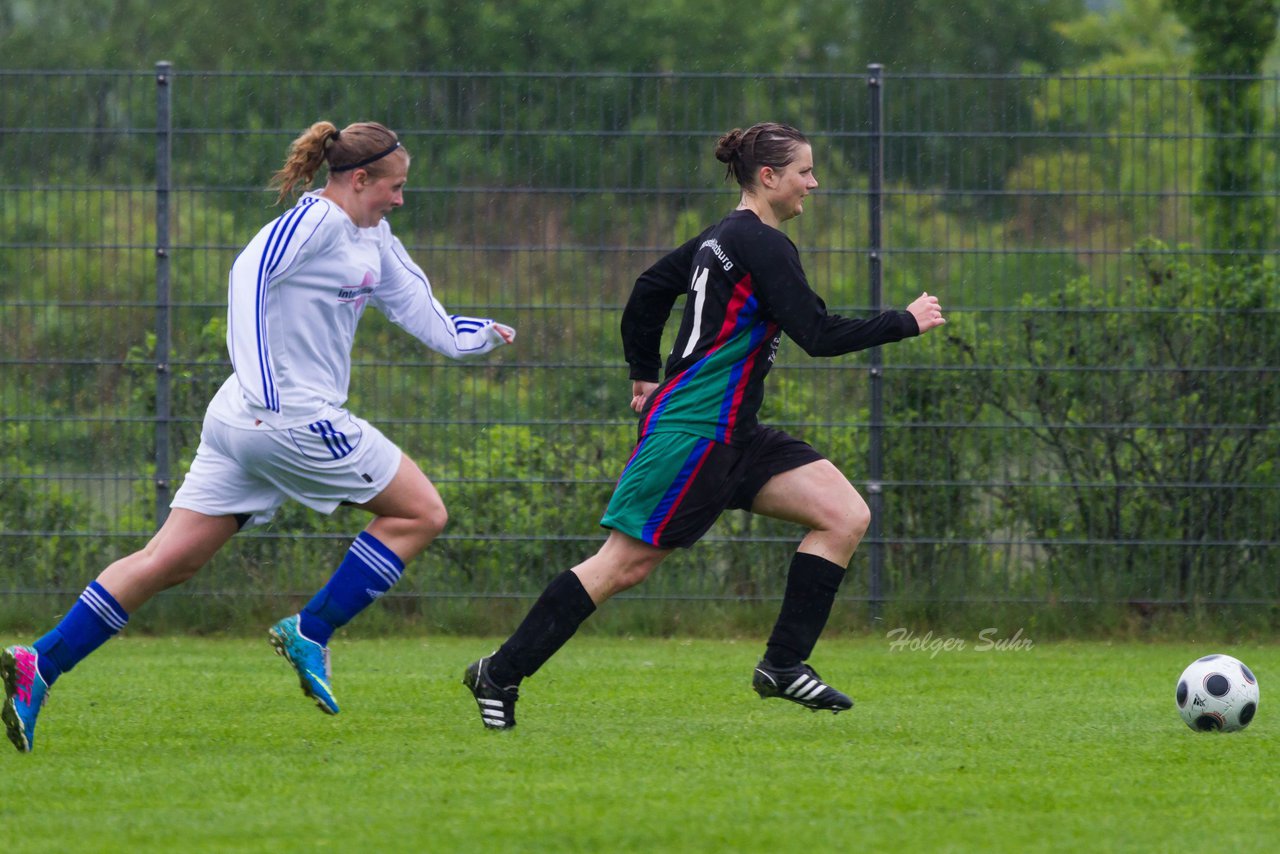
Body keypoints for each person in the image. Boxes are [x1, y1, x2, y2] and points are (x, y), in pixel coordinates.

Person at [1, 121, 515, 753]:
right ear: (359, 179)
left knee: (171, 560)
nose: (400, 199)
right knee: (421, 513)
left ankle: (39, 665)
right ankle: (313, 628)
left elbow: (414, 305)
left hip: (242, 422)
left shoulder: (371, 235)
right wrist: (262, 381)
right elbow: (250, 271)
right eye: (395, 187)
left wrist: (475, 335)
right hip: (286, 415)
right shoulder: (318, 221)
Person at [464, 122, 944, 730]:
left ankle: (783, 665)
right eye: (804, 172)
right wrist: (904, 321)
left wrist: (643, 372)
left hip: (735, 432)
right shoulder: (762, 244)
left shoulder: (721, 237)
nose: (813, 184)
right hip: (694, 431)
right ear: (769, 178)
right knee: (622, 565)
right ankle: (500, 672)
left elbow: (648, 290)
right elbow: (817, 334)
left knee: (844, 514)